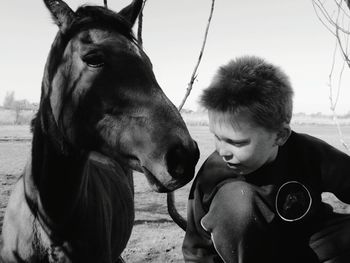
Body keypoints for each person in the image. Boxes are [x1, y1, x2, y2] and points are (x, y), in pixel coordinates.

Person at [182, 56, 350, 263]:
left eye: (236, 142)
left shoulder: (308, 152)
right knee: (238, 202)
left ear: (280, 136)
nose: (222, 150)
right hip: (249, 254)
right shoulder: (214, 173)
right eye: (217, 137)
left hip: (309, 245)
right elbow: (196, 249)